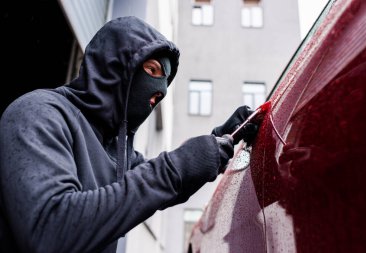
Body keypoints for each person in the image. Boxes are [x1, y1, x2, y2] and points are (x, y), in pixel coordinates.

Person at [0, 16, 257, 253]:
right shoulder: (38, 114)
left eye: (165, 80)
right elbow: (50, 232)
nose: (161, 90)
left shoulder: (117, 150)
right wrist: (175, 169)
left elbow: (166, 183)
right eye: (153, 70)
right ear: (115, 65)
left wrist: (222, 139)